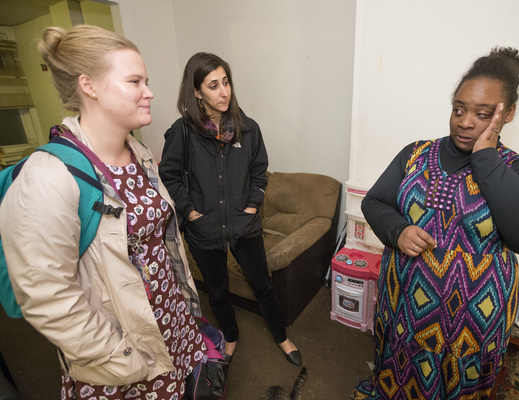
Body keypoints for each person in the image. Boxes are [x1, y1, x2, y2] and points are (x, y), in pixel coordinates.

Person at [0, 25, 206, 399]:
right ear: (89, 86)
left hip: (168, 323)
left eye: (146, 81)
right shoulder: (47, 176)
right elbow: (46, 296)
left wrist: (184, 310)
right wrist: (119, 358)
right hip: (122, 350)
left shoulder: (140, 154)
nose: (149, 92)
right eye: (134, 81)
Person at [352, 47, 519, 399]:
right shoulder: (416, 154)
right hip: (404, 308)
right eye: (458, 109)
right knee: (399, 375)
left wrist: (486, 159)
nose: (465, 122)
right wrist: (398, 230)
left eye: (482, 114)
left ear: (508, 113)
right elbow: (375, 202)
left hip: (472, 326)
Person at [159, 52, 302, 367]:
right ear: (197, 92)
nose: (224, 92)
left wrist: (252, 205)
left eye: (226, 82)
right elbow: (169, 176)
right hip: (204, 229)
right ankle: (231, 336)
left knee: (262, 285)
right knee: (218, 291)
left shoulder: (248, 129)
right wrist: (190, 212)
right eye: (213, 86)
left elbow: (259, 171)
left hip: (244, 225)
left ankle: (281, 336)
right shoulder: (183, 132)